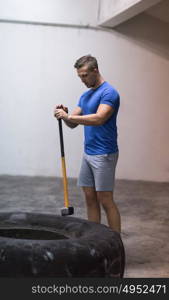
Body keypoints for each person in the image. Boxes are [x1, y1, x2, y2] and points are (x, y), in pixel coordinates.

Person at [54, 55, 121, 233]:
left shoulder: (109, 92)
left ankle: (116, 243)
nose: (82, 80)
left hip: (104, 153)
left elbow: (99, 118)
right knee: (90, 197)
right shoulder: (85, 95)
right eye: (79, 76)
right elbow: (73, 123)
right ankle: (96, 239)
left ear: (95, 70)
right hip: (88, 153)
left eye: (85, 75)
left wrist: (69, 116)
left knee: (105, 199)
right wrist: (65, 114)